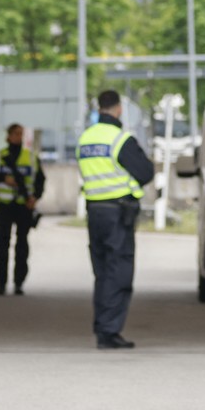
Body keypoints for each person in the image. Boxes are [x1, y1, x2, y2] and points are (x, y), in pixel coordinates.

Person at [78, 90, 154, 348]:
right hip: (118, 213)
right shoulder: (120, 139)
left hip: (95, 212)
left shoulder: (85, 139)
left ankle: (102, 327)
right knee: (119, 272)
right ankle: (109, 331)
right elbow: (145, 172)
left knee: (101, 272)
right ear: (118, 108)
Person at [0, 123, 46, 295]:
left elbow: (40, 180)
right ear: (8, 136)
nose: (19, 137)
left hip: (24, 206)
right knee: (1, 244)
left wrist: (35, 198)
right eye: (16, 134)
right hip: (5, 206)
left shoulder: (31, 157)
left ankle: (19, 282)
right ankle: (1, 282)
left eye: (21, 134)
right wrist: (3, 178)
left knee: (22, 245)